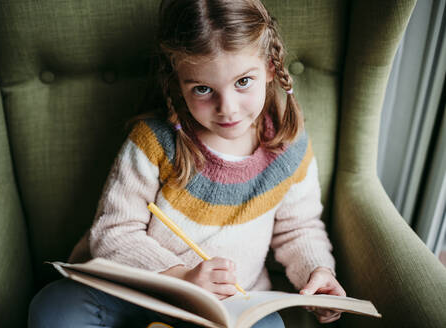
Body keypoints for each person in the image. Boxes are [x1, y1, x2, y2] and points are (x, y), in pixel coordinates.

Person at [28, 0, 346, 327]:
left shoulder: (288, 146)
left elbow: (299, 228)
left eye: (243, 82)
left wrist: (317, 271)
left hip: (228, 309)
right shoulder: (154, 141)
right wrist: (181, 276)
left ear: (268, 66)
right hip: (139, 295)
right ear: (178, 83)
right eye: (203, 89)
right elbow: (113, 231)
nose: (228, 108)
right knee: (55, 307)